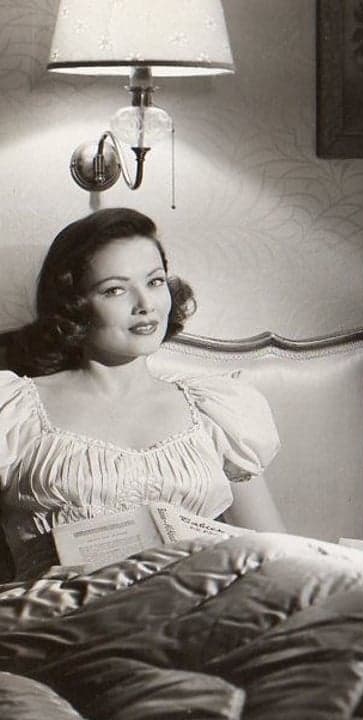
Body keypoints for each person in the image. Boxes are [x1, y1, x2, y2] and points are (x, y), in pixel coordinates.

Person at [0, 208, 286, 579]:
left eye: (154, 281)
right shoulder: (13, 410)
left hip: (196, 607)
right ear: (73, 305)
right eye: (115, 289)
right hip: (63, 612)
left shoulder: (215, 413)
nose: (145, 304)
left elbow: (275, 553)